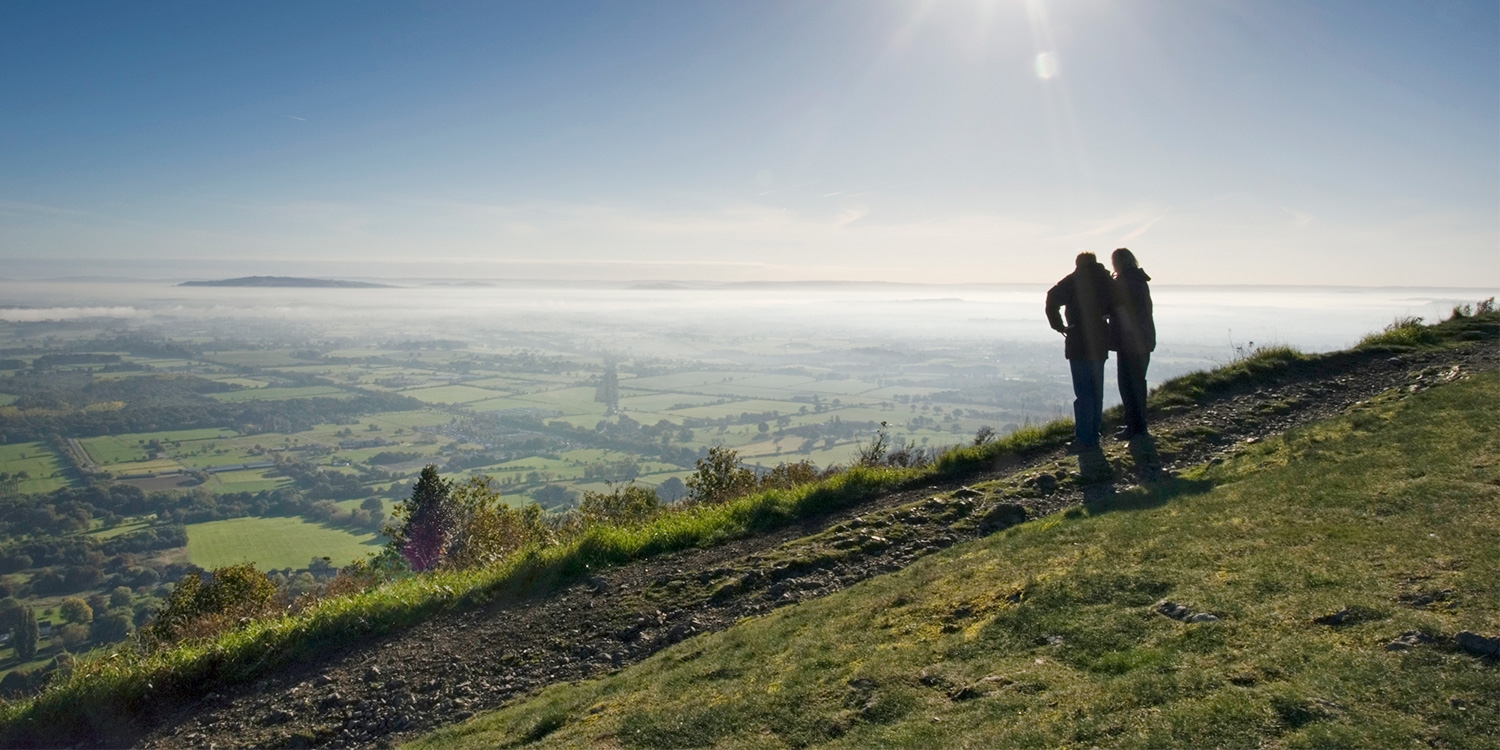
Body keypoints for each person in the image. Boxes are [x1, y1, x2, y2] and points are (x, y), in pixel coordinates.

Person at [1045, 251, 1114, 449]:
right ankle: (1094, 433)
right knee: (1096, 389)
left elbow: (1051, 298)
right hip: (1100, 340)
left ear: (1078, 264)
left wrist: (1059, 326)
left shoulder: (1074, 280)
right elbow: (1120, 303)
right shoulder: (1107, 280)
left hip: (1079, 340)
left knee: (1083, 391)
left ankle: (1084, 439)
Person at [1109, 247, 1155, 439]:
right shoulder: (1140, 281)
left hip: (1129, 342)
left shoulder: (1123, 284)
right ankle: (1139, 425)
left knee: (1127, 384)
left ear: (1117, 263)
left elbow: (1119, 311)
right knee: (1138, 383)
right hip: (1145, 339)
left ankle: (1134, 427)